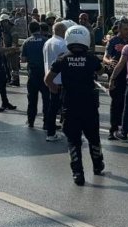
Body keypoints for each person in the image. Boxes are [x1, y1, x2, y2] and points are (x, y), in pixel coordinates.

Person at [45, 25, 105, 186]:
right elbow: (101, 71)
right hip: (89, 105)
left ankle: (78, 173)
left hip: (69, 104)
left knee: (73, 140)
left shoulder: (62, 58)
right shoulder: (91, 58)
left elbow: (48, 79)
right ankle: (98, 165)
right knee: (93, 138)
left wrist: (56, 90)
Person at [102, 18, 128, 138]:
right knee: (116, 102)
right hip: (116, 74)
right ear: (119, 29)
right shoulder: (114, 40)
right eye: (125, 29)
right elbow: (105, 57)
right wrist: (110, 62)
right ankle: (113, 128)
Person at [41, 22, 69, 141]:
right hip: (62, 80)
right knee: (67, 108)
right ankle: (69, 132)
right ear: (63, 31)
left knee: (52, 107)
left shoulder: (47, 43)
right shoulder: (63, 44)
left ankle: (51, 132)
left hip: (50, 79)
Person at [21, 21, 48, 128]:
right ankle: (46, 122)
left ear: (29, 30)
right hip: (44, 73)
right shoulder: (45, 41)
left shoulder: (26, 42)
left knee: (32, 99)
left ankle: (30, 120)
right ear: (39, 29)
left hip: (32, 74)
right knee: (46, 99)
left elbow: (23, 59)